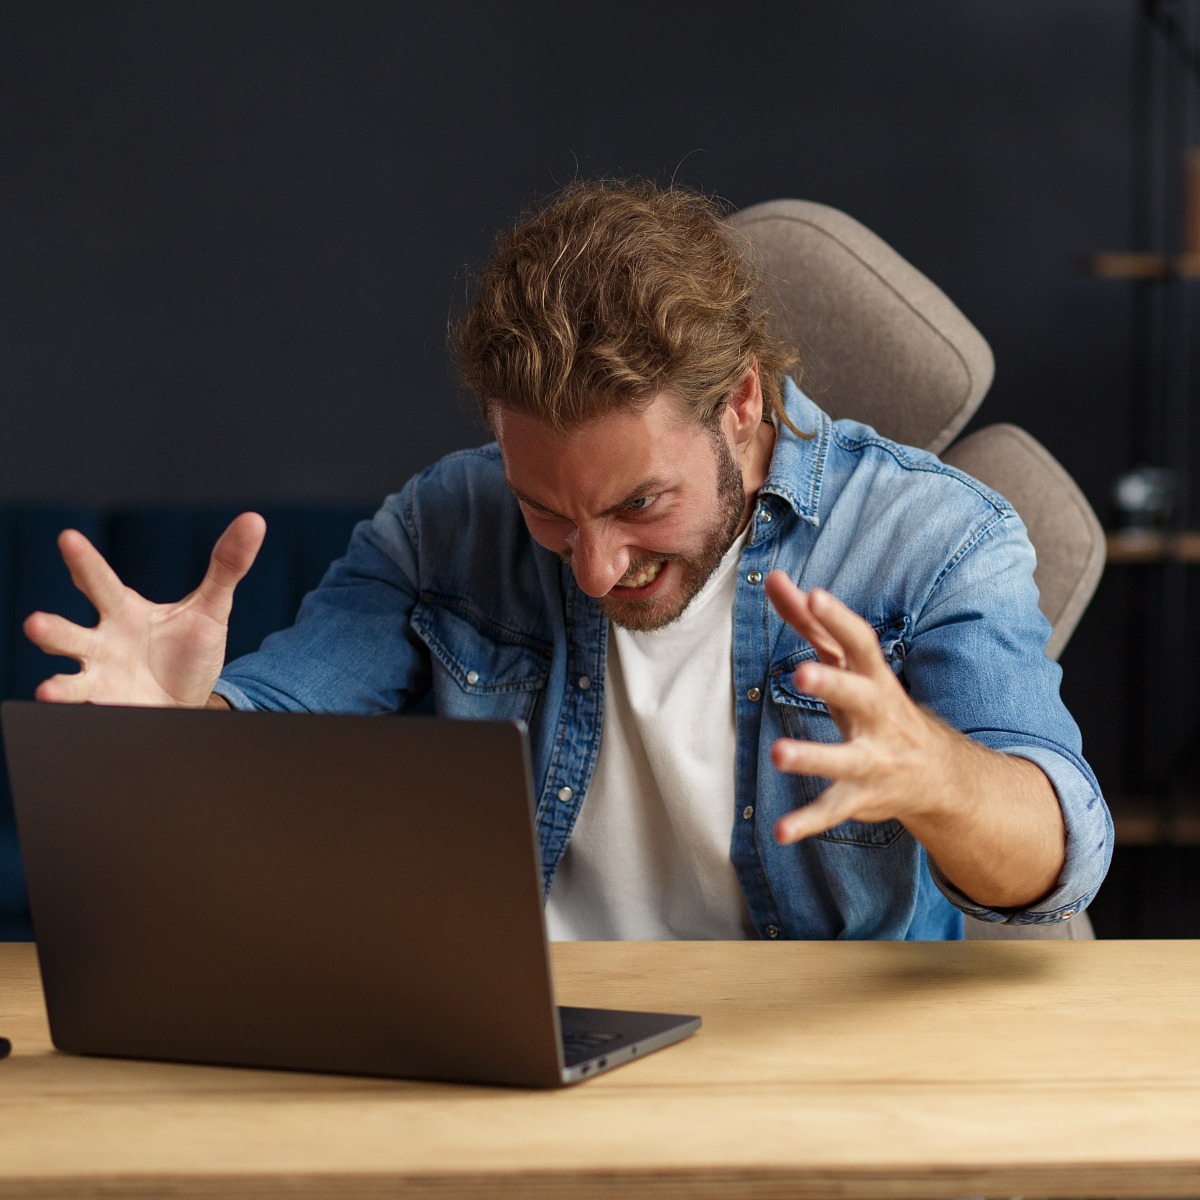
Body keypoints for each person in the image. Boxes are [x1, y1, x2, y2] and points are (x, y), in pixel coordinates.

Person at [24, 179, 1112, 940]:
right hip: (517, 1045)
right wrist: (181, 743)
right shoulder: (447, 520)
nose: (592, 569)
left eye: (641, 504)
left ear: (741, 404)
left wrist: (934, 773)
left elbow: (1058, 857)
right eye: (549, 511)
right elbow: (291, 716)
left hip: (808, 1060)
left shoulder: (936, 538)